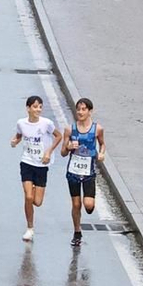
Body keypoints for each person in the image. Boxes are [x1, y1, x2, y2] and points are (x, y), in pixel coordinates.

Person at [10, 94, 61, 242]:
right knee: (28, 197)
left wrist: (48, 152)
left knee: (37, 202)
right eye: (35, 107)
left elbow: (58, 136)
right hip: (26, 162)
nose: (38, 109)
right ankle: (30, 228)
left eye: (40, 107)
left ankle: (31, 194)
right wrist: (15, 141)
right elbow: (19, 135)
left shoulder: (46, 123)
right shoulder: (21, 123)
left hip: (41, 165)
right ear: (28, 108)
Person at [63, 95, 106, 244]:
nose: (80, 112)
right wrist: (68, 147)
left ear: (90, 111)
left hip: (88, 172)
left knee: (88, 206)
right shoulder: (69, 129)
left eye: (83, 109)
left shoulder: (97, 129)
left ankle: (90, 203)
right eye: (78, 109)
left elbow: (102, 144)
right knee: (76, 204)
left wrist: (101, 153)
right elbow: (63, 152)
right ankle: (77, 232)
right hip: (73, 172)